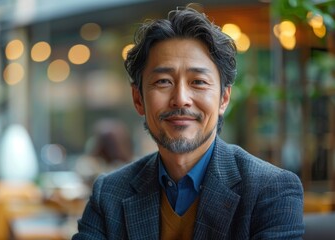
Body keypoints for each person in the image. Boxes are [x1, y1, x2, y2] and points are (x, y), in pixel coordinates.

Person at [73, 4, 304, 239]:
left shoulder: (270, 190)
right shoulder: (109, 193)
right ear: (138, 99)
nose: (181, 99)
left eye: (198, 82)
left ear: (224, 98)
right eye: (163, 81)